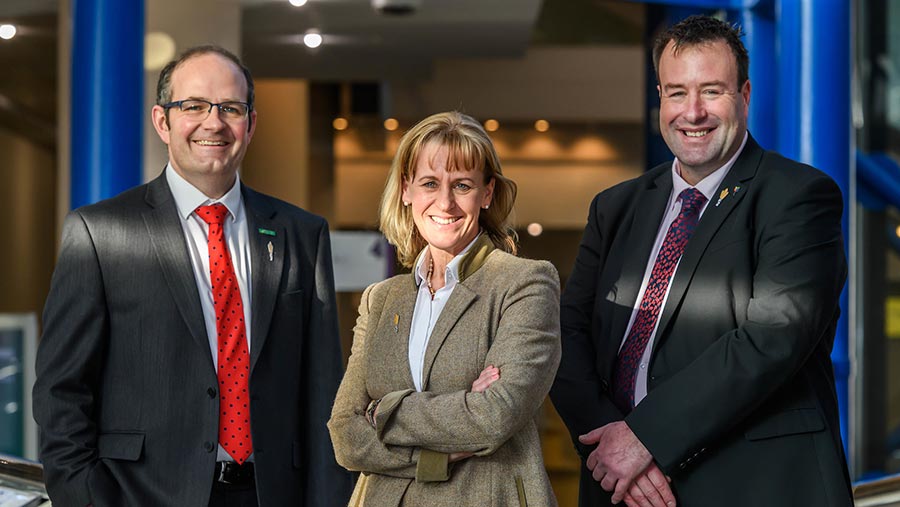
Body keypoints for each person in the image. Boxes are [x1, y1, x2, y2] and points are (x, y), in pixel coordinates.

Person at [550, 15, 853, 507]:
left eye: (712, 91)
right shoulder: (616, 205)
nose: (693, 112)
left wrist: (643, 437)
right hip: (622, 487)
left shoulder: (798, 197)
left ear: (745, 95)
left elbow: (773, 336)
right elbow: (567, 332)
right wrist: (607, 441)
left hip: (751, 484)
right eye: (676, 92)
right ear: (660, 98)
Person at [33, 45, 352, 507]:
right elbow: (62, 389)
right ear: (162, 121)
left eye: (230, 108)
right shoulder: (99, 232)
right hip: (140, 494)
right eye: (194, 106)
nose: (214, 122)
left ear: (251, 123)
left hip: (271, 493)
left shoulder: (302, 233)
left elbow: (323, 389)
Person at [327, 111, 561, 506]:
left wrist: (383, 410)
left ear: (487, 193)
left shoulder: (526, 284)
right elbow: (345, 436)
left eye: (463, 185)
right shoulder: (380, 299)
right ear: (407, 190)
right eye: (430, 183)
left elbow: (494, 416)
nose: (445, 202)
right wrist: (440, 450)